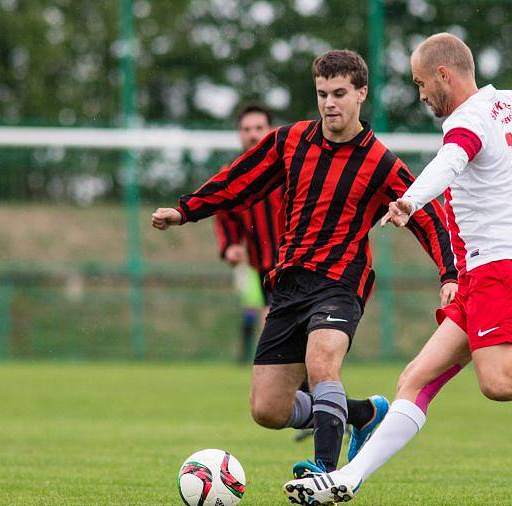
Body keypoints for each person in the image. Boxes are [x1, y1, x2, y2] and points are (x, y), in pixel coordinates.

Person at [282, 33, 512, 506]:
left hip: (502, 267)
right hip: (484, 270)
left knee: (500, 383)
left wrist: (409, 200)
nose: (420, 94)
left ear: (445, 74)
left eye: (422, 83)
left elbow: (450, 161)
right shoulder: (505, 102)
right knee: (415, 380)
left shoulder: (467, 120)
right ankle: (346, 479)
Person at [152, 49, 457, 483]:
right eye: (322, 94)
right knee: (269, 409)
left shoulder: (381, 162)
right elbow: (239, 181)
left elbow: (427, 215)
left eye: (338, 93)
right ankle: (364, 413)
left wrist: (449, 274)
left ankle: (324, 473)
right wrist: (186, 211)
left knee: (322, 364)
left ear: (360, 95)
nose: (329, 103)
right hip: (288, 285)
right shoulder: (290, 141)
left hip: (340, 282)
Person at [213, 103, 283, 364]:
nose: (252, 134)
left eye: (258, 128)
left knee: (282, 328)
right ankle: (301, 393)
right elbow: (224, 215)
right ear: (239, 134)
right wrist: (230, 244)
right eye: (246, 129)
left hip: (296, 262)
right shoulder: (230, 175)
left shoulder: (288, 168)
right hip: (262, 267)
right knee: (275, 327)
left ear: (271, 130)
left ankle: (301, 392)